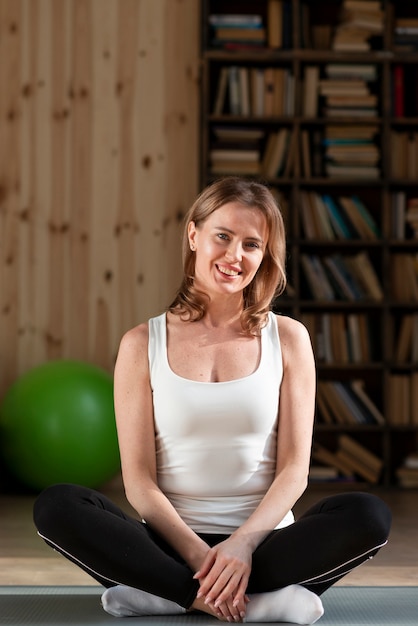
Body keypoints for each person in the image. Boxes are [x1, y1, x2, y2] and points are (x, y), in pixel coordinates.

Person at [34, 177, 391, 624]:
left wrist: (242, 545)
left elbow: (295, 470)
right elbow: (139, 481)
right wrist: (201, 558)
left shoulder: (289, 339)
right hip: (170, 543)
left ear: (265, 256)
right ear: (193, 234)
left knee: (368, 515)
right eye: (222, 236)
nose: (234, 256)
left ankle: (165, 594)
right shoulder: (140, 344)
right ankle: (241, 599)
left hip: (264, 543)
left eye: (251, 244)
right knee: (57, 506)